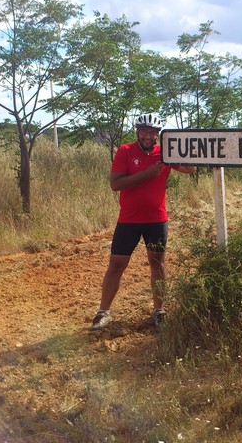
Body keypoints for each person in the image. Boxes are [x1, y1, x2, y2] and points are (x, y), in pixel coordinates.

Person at [90, 113, 195, 331]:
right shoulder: (126, 151)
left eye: (153, 132)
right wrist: (147, 174)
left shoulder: (164, 152)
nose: (148, 136)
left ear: (158, 134)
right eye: (145, 131)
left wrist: (186, 149)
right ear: (138, 131)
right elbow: (115, 184)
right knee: (116, 265)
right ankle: (103, 312)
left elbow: (190, 168)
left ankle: (160, 311)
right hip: (129, 219)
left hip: (156, 219)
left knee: (157, 264)